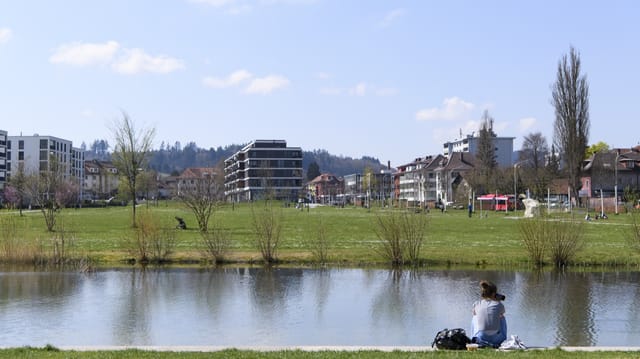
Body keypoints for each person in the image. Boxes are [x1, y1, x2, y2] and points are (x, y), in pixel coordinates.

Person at [471, 280, 507, 348]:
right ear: (494, 294)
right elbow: (503, 312)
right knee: (502, 317)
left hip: (481, 337)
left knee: (474, 317)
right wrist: (497, 301)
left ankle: (474, 339)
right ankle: (502, 338)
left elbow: (473, 313)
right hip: (497, 339)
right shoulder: (499, 304)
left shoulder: (477, 303)